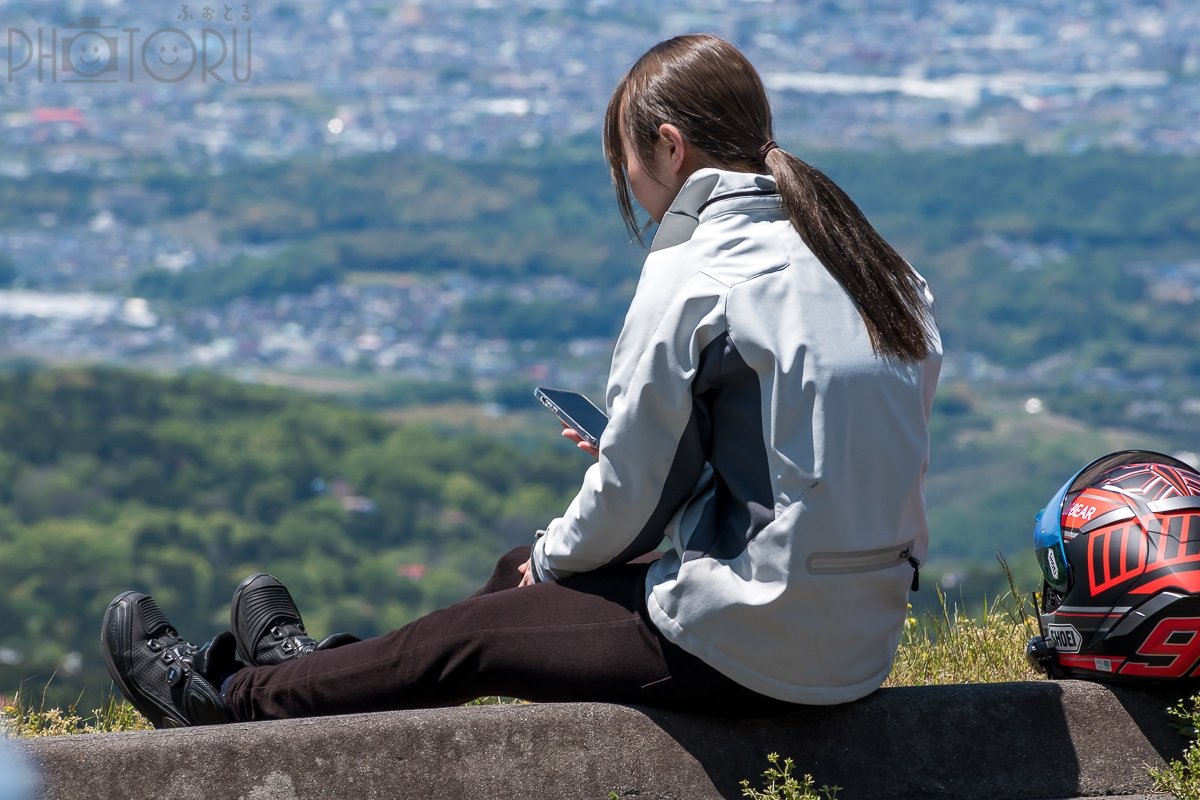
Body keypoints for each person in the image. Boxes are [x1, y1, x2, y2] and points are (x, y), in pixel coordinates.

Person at [100, 33, 942, 727]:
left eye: (626, 165)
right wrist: (546, 556)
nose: (632, 189)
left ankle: (223, 700)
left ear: (669, 147)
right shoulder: (874, 263)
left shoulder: (697, 272)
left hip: (751, 649)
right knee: (512, 578)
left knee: (471, 636)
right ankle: (329, 673)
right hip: (854, 637)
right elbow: (808, 466)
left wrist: (553, 555)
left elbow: (634, 497)